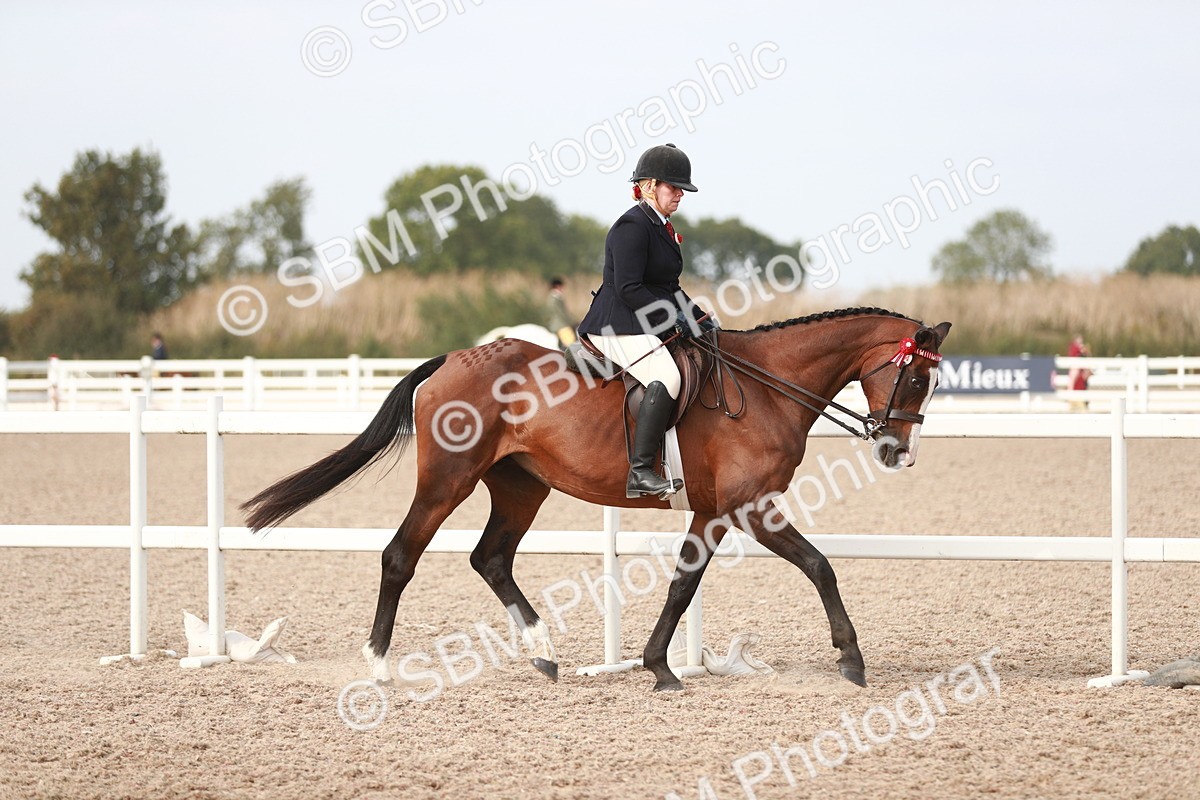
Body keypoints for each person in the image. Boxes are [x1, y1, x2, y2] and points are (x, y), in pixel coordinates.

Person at [576, 143, 712, 499]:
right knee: (666, 375)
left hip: (641, 320)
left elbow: (670, 287)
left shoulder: (663, 227)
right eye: (673, 187)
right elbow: (628, 288)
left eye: (682, 189)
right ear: (649, 186)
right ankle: (640, 472)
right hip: (615, 323)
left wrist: (696, 318)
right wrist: (672, 319)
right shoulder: (631, 226)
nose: (680, 194)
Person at [546, 277, 577, 349]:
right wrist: (571, 322)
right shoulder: (554, 298)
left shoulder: (556, 298)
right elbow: (561, 314)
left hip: (560, 323)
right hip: (561, 325)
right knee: (571, 344)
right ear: (558, 286)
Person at [1067, 334, 1091, 411]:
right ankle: (1071, 400)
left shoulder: (1079, 351)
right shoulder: (1076, 349)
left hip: (1079, 392)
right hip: (1077, 393)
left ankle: (1072, 400)